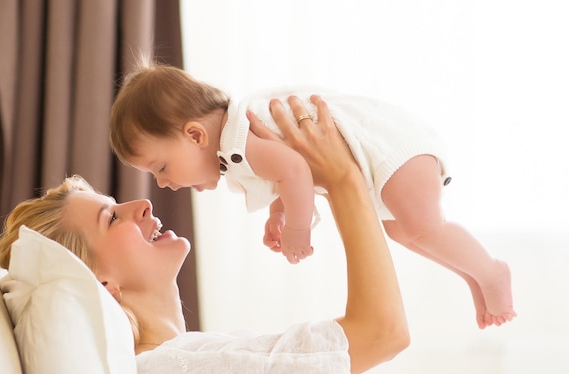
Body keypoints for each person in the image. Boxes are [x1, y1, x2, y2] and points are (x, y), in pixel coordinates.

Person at [0, 96, 410, 374]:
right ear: (101, 285)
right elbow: (382, 332)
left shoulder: (183, 362)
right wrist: (342, 177)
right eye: (111, 218)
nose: (142, 206)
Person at [109, 62, 516, 329]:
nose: (162, 184)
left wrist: (300, 228)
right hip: (380, 161)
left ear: (195, 135)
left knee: (423, 227)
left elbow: (295, 170)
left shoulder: (241, 138)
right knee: (404, 232)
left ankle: (491, 272)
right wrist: (278, 212)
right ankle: (473, 274)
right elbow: (287, 171)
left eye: (160, 167)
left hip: (389, 149)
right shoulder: (240, 138)